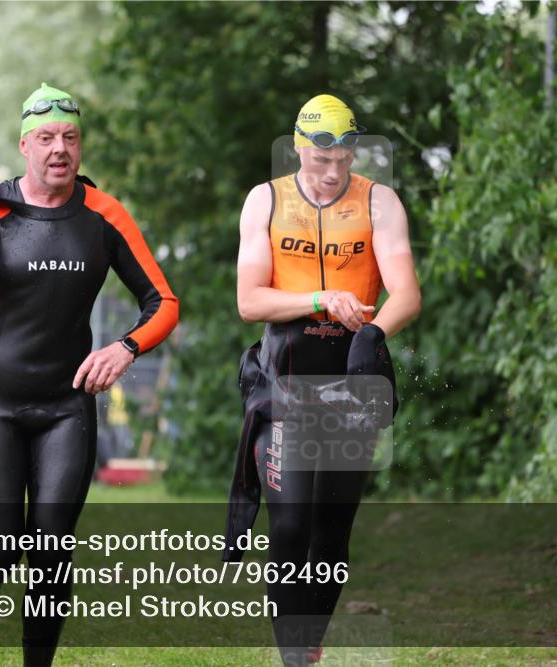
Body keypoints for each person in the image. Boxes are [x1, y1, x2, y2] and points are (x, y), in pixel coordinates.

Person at [0, 82, 179, 667]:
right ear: (24, 145)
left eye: (69, 137)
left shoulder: (102, 213)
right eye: (45, 138)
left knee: (50, 553)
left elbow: (163, 301)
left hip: (66, 403)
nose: (59, 149)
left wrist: (126, 348)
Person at [222, 94, 421, 666]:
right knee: (288, 526)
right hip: (283, 383)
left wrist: (371, 335)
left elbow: (406, 291)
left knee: (330, 537)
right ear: (300, 148)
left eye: (345, 160)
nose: (334, 173)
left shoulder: (379, 202)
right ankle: (293, 661)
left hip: (348, 387)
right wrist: (319, 299)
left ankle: (307, 646)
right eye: (321, 160)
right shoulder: (266, 200)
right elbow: (249, 300)